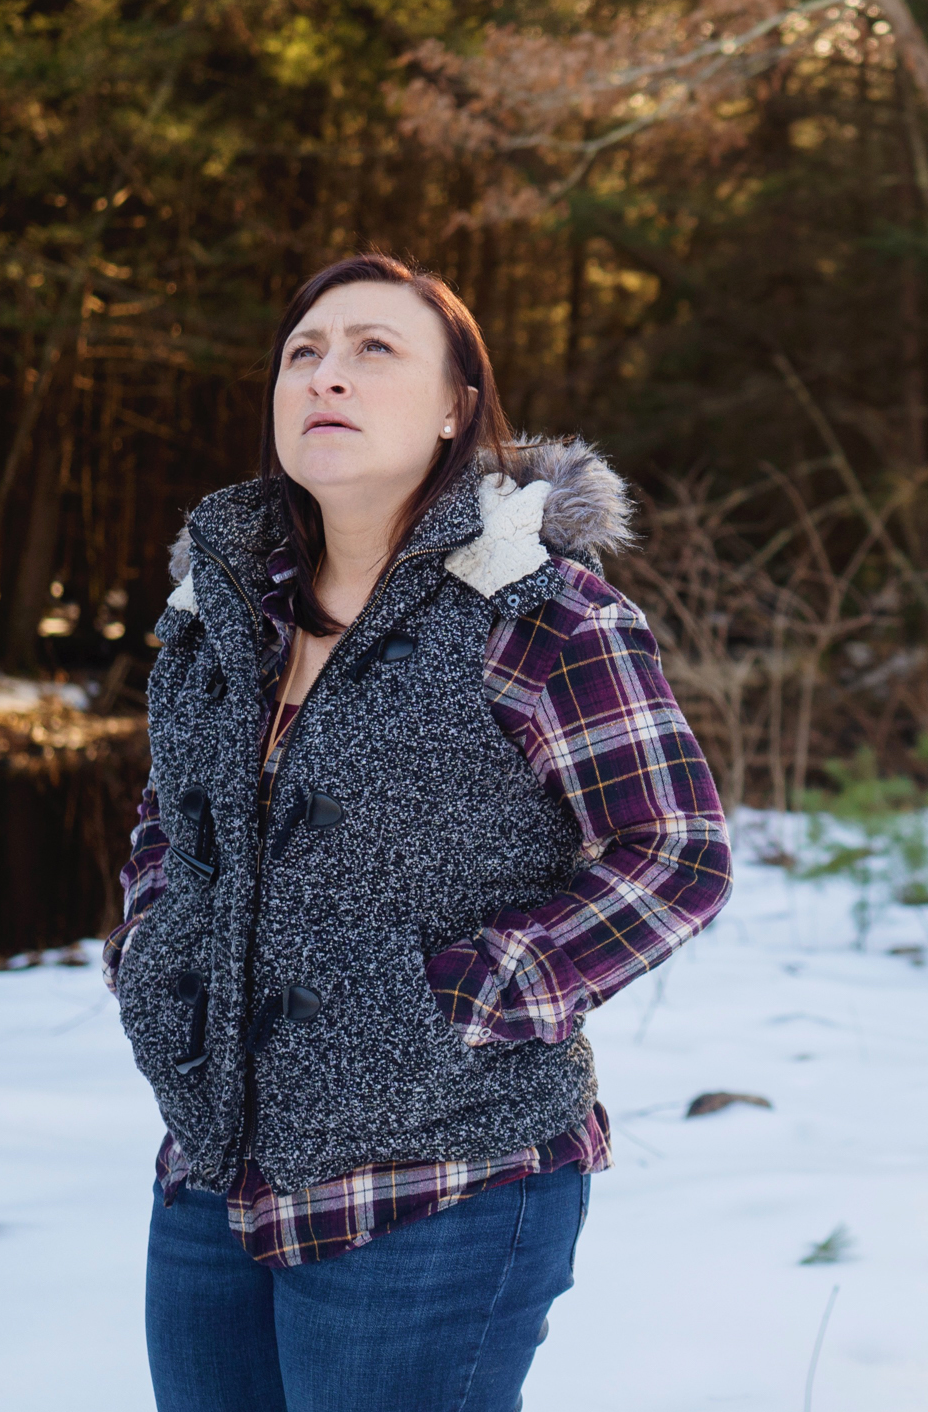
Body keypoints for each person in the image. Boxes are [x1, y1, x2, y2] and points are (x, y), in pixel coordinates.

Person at [106, 250, 731, 1412]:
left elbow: (675, 855)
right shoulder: (220, 617)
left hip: (442, 1177)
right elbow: (166, 819)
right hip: (210, 1174)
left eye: (374, 350)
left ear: (455, 408)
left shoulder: (541, 615)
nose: (326, 374)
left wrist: (465, 999)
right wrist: (151, 952)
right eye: (303, 354)